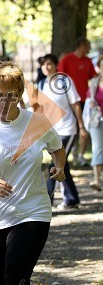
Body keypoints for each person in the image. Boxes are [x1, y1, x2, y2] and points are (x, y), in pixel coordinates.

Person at [0, 62, 66, 285]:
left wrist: (60, 166)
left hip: (32, 210)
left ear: (20, 94)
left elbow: (57, 148)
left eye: (11, 95)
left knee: (13, 277)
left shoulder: (37, 121)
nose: (5, 101)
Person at [37, 54, 86, 209]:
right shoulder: (41, 84)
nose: (46, 67)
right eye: (43, 64)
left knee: (56, 163)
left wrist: (81, 126)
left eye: (49, 63)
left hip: (67, 129)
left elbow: (75, 104)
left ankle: (47, 200)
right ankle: (72, 199)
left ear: (56, 65)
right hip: (52, 132)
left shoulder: (64, 81)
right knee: (63, 165)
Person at [58, 37, 97, 166]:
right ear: (81, 46)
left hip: (85, 100)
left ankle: (80, 155)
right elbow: (60, 78)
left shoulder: (88, 61)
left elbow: (94, 78)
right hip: (70, 101)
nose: (89, 48)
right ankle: (71, 154)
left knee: (84, 127)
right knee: (72, 128)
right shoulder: (67, 59)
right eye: (87, 46)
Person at [86, 56, 103, 191]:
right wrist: (91, 102)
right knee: (97, 148)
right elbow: (88, 99)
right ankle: (97, 180)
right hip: (96, 120)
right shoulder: (94, 83)